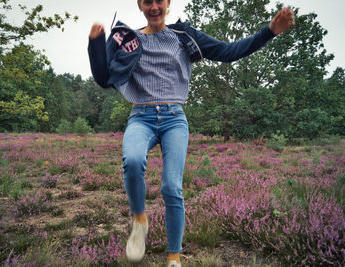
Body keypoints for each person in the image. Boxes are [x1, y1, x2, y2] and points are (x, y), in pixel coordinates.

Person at [88, 1, 294, 266]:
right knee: (133, 160)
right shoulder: (126, 38)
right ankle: (139, 220)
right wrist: (96, 42)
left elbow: (228, 51)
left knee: (172, 187)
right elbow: (103, 78)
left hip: (175, 118)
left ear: (167, 3)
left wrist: (269, 32)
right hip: (141, 116)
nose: (153, 6)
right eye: (147, 1)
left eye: (158, 0)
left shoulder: (184, 36)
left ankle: (174, 256)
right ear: (140, 5)